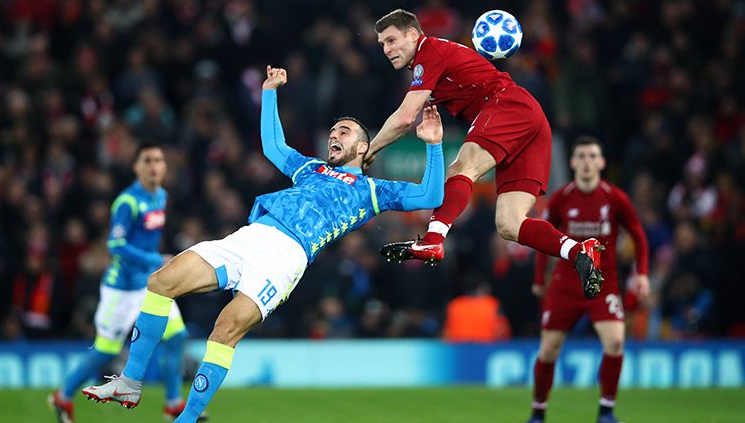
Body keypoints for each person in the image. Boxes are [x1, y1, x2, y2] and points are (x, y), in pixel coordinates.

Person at [80, 66, 445, 422]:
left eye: (344, 131)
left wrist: (433, 146)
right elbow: (273, 147)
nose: (335, 134)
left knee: (225, 331)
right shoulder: (311, 168)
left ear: (363, 146)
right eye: (333, 129)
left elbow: (431, 193)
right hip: (249, 236)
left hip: (285, 258)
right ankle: (130, 381)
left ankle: (187, 419)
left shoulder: (372, 191)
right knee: (161, 282)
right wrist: (269, 92)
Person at [367, 9, 604, 299]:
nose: (387, 50)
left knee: (461, 169)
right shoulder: (431, 61)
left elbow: (405, 117)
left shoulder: (429, 51)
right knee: (509, 224)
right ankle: (579, 251)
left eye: (391, 40)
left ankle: (432, 240)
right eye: (382, 45)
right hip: (531, 121)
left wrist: (370, 149)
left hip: (507, 104)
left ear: (414, 34)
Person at [49, 143, 193, 422]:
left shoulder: (161, 197)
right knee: (106, 350)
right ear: (136, 167)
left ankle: (173, 403)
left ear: (165, 167)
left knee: (177, 336)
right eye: (147, 160)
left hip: (150, 286)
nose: (154, 165)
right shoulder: (127, 202)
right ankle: (63, 396)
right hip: (122, 289)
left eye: (159, 160)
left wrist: (153, 263)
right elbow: (115, 245)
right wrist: (155, 260)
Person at [526, 136, 650, 423]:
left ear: (602, 162)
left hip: (602, 284)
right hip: (565, 285)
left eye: (593, 156)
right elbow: (543, 236)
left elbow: (638, 236)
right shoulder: (561, 199)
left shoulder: (615, 198)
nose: (586, 162)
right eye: (581, 156)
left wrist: (642, 273)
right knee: (548, 349)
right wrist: (538, 278)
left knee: (615, 343)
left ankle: (606, 411)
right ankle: (538, 412)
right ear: (572, 162)